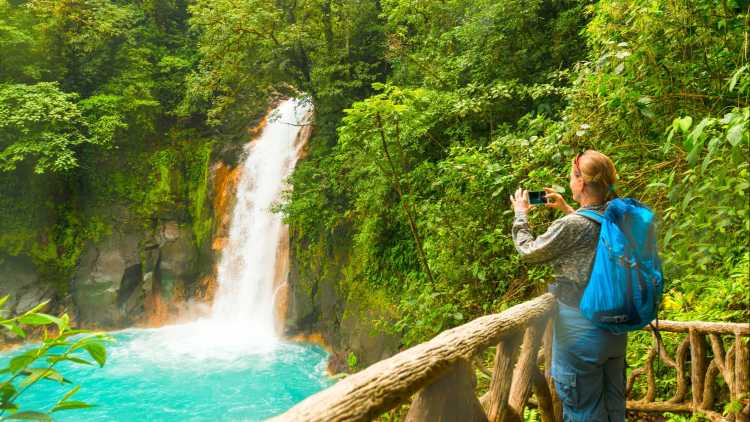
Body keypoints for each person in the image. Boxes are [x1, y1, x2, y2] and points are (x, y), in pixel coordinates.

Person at [509, 150, 626, 422]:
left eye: (572, 176)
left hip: (580, 329)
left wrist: (520, 215)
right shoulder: (616, 215)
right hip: (616, 327)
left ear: (581, 183)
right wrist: (568, 210)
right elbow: (592, 235)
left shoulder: (573, 225)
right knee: (613, 407)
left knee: (584, 409)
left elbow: (529, 251)